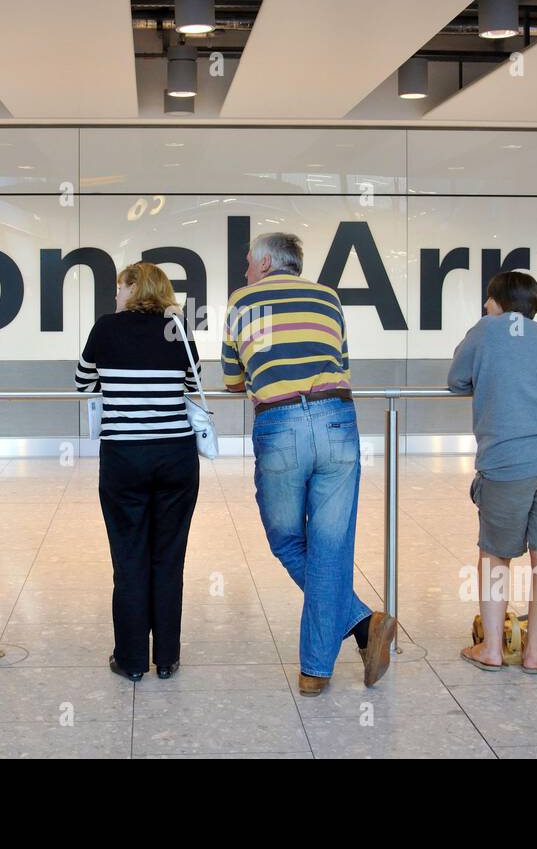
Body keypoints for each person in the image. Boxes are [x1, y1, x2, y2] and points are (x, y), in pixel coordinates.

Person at [222, 232, 397, 697]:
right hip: (338, 417)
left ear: (263, 263)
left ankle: (359, 626)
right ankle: (326, 659)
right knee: (331, 545)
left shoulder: (243, 301)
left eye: (247, 262)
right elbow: (342, 360)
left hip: (280, 424)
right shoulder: (328, 298)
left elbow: (232, 379)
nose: (244, 271)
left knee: (285, 538)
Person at [449, 270, 537, 675]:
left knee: (495, 553)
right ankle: (533, 652)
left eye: (487, 301)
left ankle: (492, 649)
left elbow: (457, 380)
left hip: (509, 461)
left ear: (496, 301)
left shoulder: (487, 329)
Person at [75, 262, 201, 682]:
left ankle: (130, 661)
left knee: (128, 558)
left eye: (119, 286)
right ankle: (167, 657)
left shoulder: (105, 328)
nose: (115, 295)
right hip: (176, 456)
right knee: (169, 557)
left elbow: (82, 382)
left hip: (125, 457)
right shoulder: (177, 330)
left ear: (134, 287)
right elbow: (192, 381)